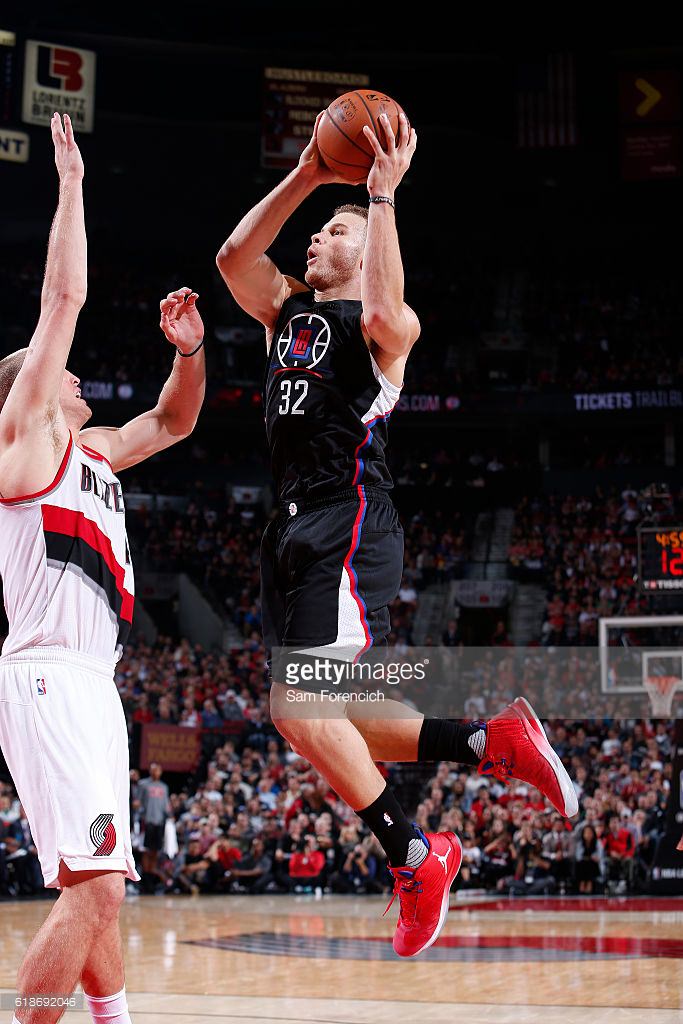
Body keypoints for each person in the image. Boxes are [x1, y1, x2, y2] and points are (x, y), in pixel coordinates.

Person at [217, 110, 577, 957]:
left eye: (329, 230)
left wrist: (377, 199)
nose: (313, 239)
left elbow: (384, 301)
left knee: (298, 706)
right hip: (289, 527)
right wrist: (310, 174)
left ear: (366, 240)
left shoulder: (387, 329)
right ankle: (492, 742)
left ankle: (414, 853)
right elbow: (234, 259)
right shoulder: (286, 313)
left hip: (346, 518)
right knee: (330, 711)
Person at [0, 114, 205, 1024]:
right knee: (89, 892)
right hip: (50, 674)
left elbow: (172, 422)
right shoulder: (26, 443)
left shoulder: (93, 452)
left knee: (103, 885)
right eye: (61, 377)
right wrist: (72, 185)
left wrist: (189, 351)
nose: (79, 380)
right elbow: (61, 302)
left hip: (90, 681)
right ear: (31, 395)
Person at [137, 762, 172, 890]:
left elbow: (166, 805)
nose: (155, 772)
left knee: (155, 850)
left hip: (160, 822)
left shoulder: (164, 787)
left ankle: (151, 875)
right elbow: (137, 802)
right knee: (146, 849)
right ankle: (145, 876)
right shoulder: (143, 785)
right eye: (153, 769)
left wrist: (170, 815)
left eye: (157, 770)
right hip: (147, 821)